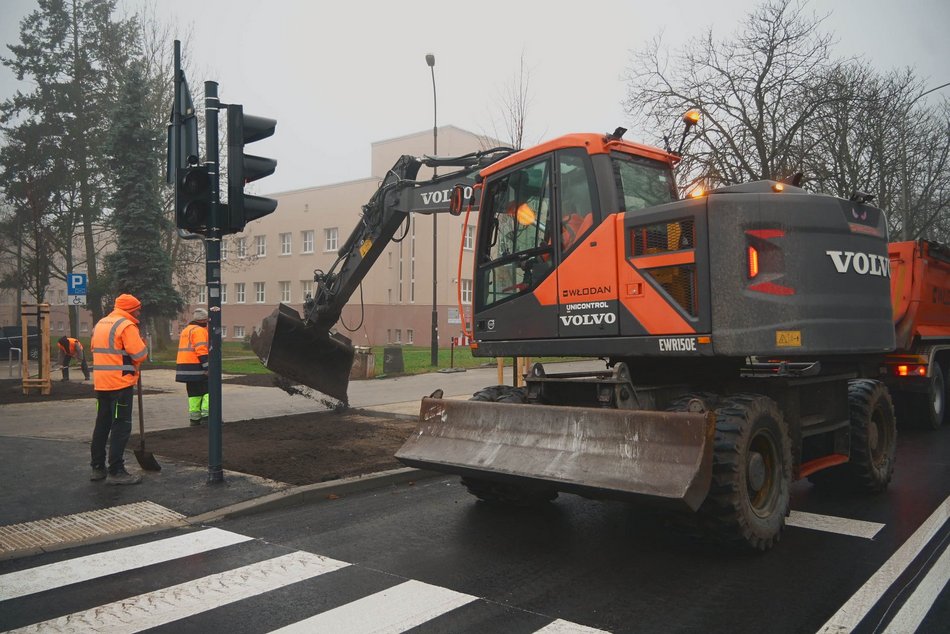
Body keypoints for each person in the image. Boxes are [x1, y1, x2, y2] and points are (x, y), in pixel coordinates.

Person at [89, 293, 148, 485]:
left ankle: (97, 468)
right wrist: (142, 344)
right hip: (120, 385)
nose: (139, 311)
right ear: (131, 309)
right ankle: (116, 470)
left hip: (102, 384)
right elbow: (139, 354)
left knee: (102, 423)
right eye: (138, 308)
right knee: (121, 425)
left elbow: (94, 349)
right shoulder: (126, 326)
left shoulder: (101, 324)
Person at [176, 308, 210, 426]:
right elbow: (201, 350)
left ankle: (195, 419)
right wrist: (207, 367)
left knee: (194, 394)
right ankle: (207, 417)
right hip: (197, 367)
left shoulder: (187, 330)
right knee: (208, 391)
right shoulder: (199, 331)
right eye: (207, 320)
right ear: (203, 320)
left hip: (185, 368)